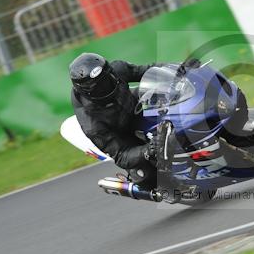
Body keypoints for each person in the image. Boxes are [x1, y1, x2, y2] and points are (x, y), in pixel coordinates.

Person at [68, 52, 199, 201]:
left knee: (171, 95)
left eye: (107, 79)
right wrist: (147, 150)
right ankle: (164, 189)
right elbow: (121, 155)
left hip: (132, 104)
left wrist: (179, 68)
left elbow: (149, 71)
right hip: (120, 133)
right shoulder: (92, 123)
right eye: (100, 86)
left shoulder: (117, 69)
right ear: (88, 91)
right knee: (146, 175)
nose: (107, 85)